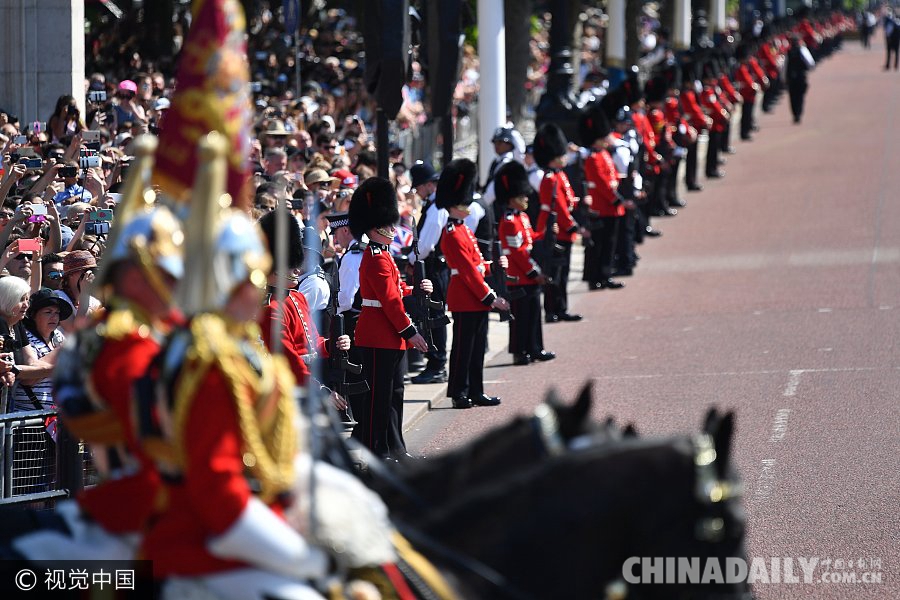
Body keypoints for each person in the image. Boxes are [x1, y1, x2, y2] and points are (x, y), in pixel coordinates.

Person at [11, 205, 184, 562]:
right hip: (43, 421)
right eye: (85, 272)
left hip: (93, 426)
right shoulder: (51, 326)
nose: (56, 316)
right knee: (38, 491)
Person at [348, 177, 431, 459]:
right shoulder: (376, 256)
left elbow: (394, 291)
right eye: (389, 224)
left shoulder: (382, 254)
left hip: (388, 335)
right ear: (376, 226)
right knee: (378, 399)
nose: (394, 229)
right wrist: (411, 332)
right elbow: (390, 302)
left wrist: (415, 288)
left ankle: (394, 447)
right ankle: (376, 450)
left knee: (393, 394)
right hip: (379, 334)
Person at [437, 159, 508, 408]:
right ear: (454, 206)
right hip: (465, 296)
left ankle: (476, 390)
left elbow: (476, 263)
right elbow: (467, 271)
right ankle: (459, 393)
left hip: (475, 295)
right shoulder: (452, 232)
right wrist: (490, 297)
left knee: (477, 347)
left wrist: (493, 266)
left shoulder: (463, 229)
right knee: (463, 348)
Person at [494, 160, 555, 366]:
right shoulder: (509, 221)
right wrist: (533, 272)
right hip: (519, 276)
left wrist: (545, 233)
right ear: (511, 199)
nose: (526, 198)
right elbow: (517, 251)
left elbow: (530, 240)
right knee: (520, 318)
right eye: (522, 196)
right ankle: (520, 351)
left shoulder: (523, 217)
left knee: (533, 315)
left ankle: (535, 347)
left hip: (527, 274)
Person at [532, 122, 583, 324]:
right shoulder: (551, 178)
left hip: (562, 230)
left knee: (563, 272)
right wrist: (571, 224)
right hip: (556, 231)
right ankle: (553, 309)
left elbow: (567, 200)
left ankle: (560, 307)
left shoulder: (558, 175)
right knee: (555, 272)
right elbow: (559, 207)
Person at [407, 161, 448, 385]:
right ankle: (436, 362)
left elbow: (426, 245)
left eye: (419, 187)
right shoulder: (435, 206)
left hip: (433, 267)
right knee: (431, 316)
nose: (418, 192)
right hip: (432, 267)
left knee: (434, 318)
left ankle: (437, 364)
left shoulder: (436, 208)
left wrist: (411, 259)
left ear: (429, 185)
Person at [580, 106, 625, 291]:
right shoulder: (592, 158)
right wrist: (614, 197)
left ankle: (605, 275)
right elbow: (601, 182)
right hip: (602, 205)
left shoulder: (604, 154)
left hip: (610, 205)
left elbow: (613, 175)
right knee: (597, 245)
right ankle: (595, 277)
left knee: (609, 243)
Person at [12, 288, 69, 412]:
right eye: (48, 312)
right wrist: (61, 352)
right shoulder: (26, 338)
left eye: (57, 313)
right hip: (28, 418)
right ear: (33, 315)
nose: (54, 317)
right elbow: (28, 379)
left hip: (55, 418)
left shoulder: (58, 336)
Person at [785, 36, 816, 124]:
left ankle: (795, 114)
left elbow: (785, 66)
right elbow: (810, 63)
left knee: (793, 97)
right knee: (800, 97)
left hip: (791, 77)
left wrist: (783, 79)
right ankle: (798, 114)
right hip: (801, 77)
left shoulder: (788, 51)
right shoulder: (802, 50)